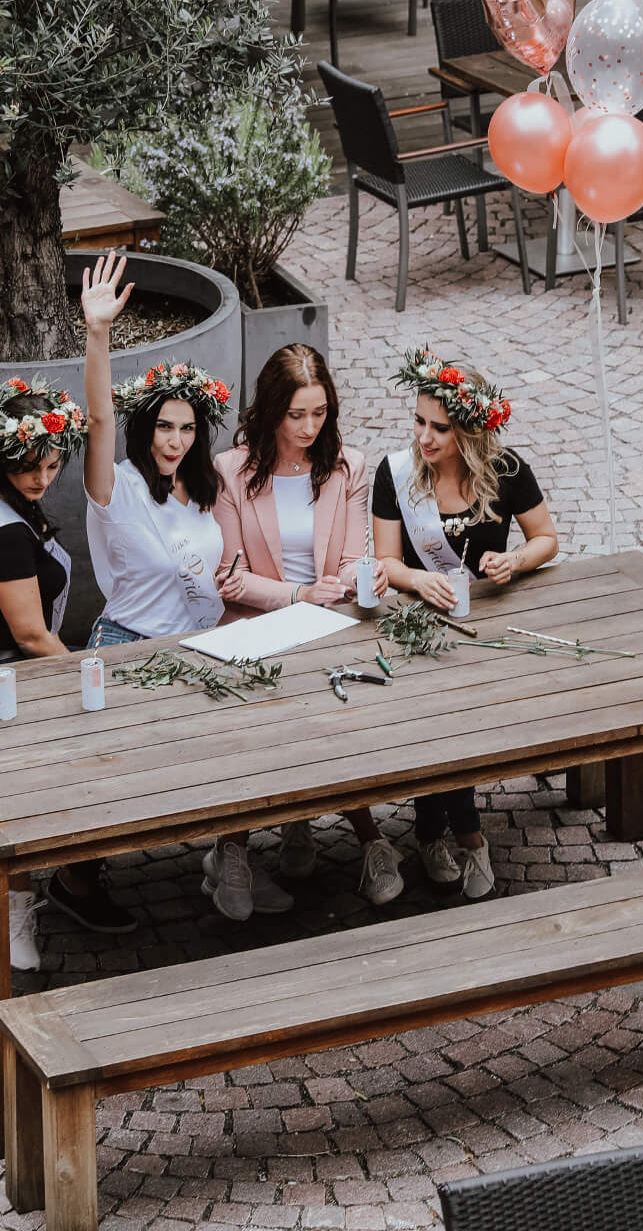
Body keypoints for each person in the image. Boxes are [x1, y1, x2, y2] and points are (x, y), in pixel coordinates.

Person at [80, 253, 287, 921]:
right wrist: (98, 334)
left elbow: (210, 572)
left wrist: (227, 581)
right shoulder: (120, 489)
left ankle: (232, 861)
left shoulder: (203, 492)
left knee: (253, 738)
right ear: (147, 427)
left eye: (187, 427)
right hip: (127, 648)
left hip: (194, 649)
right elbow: (101, 417)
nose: (174, 439)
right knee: (119, 779)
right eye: (164, 426)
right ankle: (72, 880)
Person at [0, 373, 138, 946]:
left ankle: (75, 876)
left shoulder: (8, 504)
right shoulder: (5, 529)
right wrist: (87, 671)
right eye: (31, 466)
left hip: (12, 669)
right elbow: (30, 635)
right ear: (3, 457)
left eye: (52, 467)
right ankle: (48, 891)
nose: (42, 479)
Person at [212, 343, 403, 905]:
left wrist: (360, 578)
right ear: (271, 410)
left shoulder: (348, 465)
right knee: (263, 727)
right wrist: (297, 593)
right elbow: (230, 578)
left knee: (342, 719)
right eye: (297, 415)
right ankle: (232, 851)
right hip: (255, 625)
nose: (310, 427)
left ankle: (366, 841)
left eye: (319, 413)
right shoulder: (232, 470)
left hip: (329, 621)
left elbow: (347, 560)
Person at [372, 348, 559, 900]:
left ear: (471, 430)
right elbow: (385, 561)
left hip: (486, 625)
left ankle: (431, 834)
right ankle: (468, 836)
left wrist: (514, 562)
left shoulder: (506, 471)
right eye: (419, 421)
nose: (424, 438)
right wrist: (412, 578)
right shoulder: (397, 473)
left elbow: (546, 538)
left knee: (462, 722)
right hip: (418, 627)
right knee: (439, 720)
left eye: (440, 428)